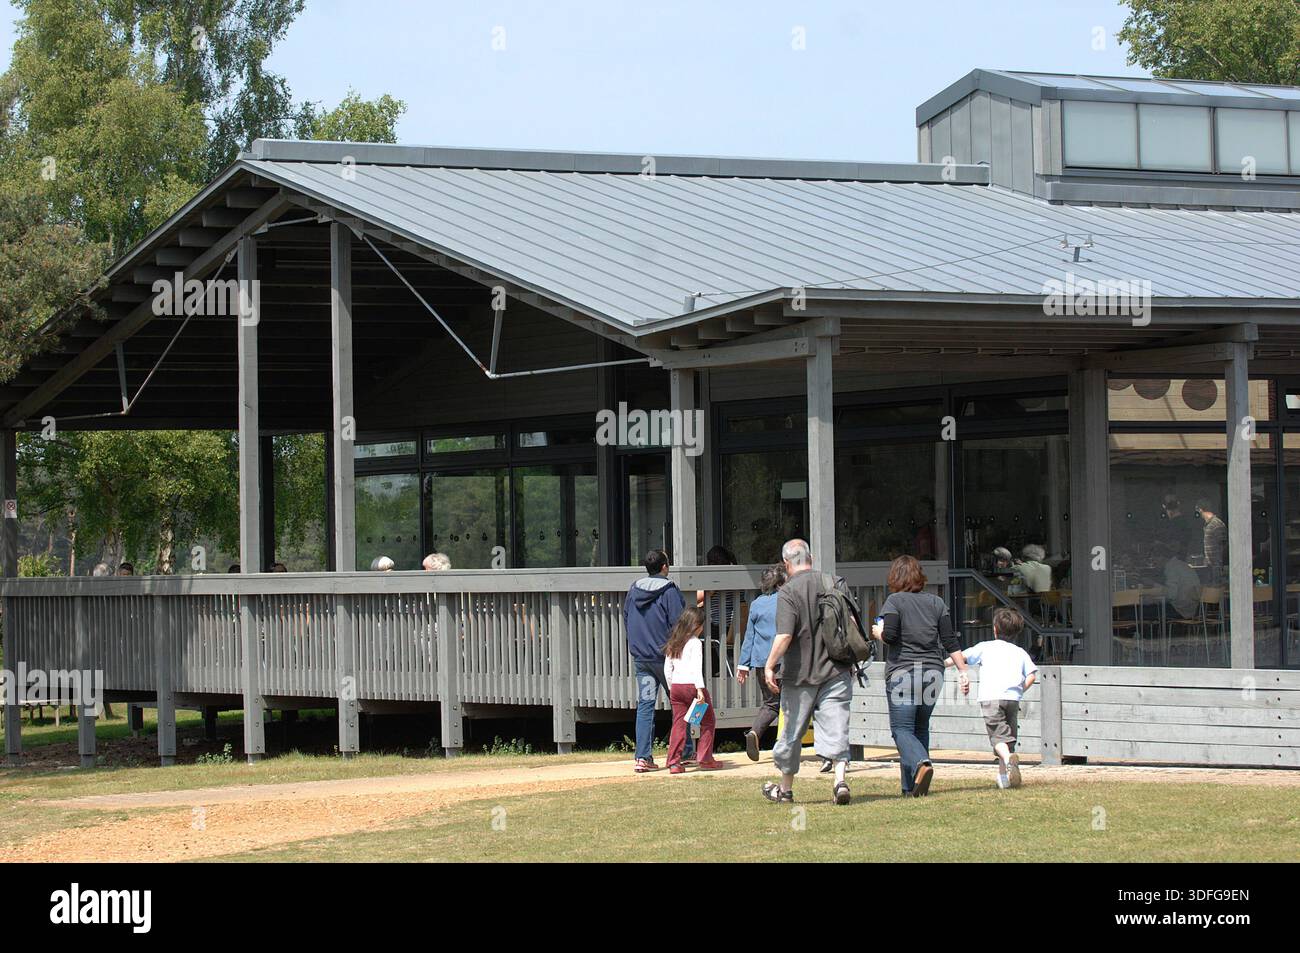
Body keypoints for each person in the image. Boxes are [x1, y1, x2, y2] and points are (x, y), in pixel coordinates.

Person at [760, 539, 854, 806]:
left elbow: (784, 635)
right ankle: (840, 781)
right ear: (810, 557)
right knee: (837, 726)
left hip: (799, 676)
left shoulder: (788, 592)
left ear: (787, 563)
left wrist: (769, 665)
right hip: (836, 670)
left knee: (792, 732)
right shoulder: (834, 582)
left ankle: (786, 790)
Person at [870, 554, 968, 797]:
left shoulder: (894, 601)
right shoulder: (936, 602)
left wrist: (878, 632)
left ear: (895, 578)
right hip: (934, 672)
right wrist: (963, 671)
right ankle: (911, 788)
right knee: (920, 728)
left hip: (904, 672)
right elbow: (949, 641)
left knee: (902, 730)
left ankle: (921, 764)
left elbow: (891, 636)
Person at [948, 607, 1037, 789]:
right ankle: (1003, 778)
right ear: (1017, 632)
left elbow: (960, 657)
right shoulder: (1020, 652)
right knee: (1008, 738)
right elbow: (1032, 675)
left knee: (998, 738)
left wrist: (941, 663)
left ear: (995, 629)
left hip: (990, 698)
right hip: (1013, 698)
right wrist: (1020, 690)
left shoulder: (985, 647)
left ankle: (1008, 760)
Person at [623, 549, 689, 773]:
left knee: (646, 705)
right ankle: (685, 752)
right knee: (680, 704)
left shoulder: (633, 589)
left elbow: (626, 617)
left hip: (642, 659)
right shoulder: (669, 590)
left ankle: (642, 757)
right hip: (667, 659)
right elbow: (679, 624)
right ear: (664, 567)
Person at [663, 606, 723, 774]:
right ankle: (705, 759)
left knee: (679, 724)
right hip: (692, 685)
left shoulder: (674, 641)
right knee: (708, 720)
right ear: (696, 625)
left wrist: (671, 687)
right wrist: (700, 689)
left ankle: (673, 762)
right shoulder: (695, 643)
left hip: (676, 686)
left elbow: (667, 668)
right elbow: (696, 668)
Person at [736, 564, 786, 761]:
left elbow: (750, 636)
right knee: (790, 703)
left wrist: (743, 665)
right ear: (782, 582)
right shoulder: (786, 601)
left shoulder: (756, 604)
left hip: (760, 662)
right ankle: (784, 745)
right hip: (784, 659)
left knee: (771, 703)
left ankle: (755, 732)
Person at [1195, 500, 1227, 583]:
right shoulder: (1208, 525)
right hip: (1210, 566)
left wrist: (1219, 564)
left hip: (1217, 566)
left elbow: (1224, 545)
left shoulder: (1216, 524)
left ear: (1200, 510)